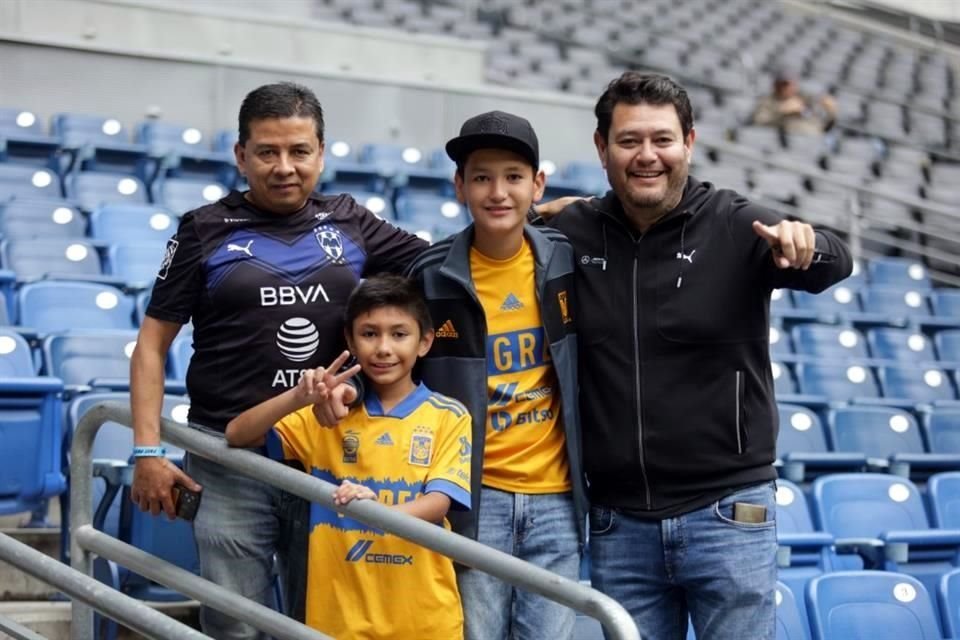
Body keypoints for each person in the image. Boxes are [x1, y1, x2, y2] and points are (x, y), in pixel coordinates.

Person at [532, 71, 853, 640]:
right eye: (629, 141)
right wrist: (533, 218)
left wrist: (810, 245)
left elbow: (834, 259)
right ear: (602, 149)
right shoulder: (573, 231)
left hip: (728, 516)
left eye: (663, 139)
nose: (647, 156)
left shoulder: (735, 223)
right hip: (617, 523)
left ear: (690, 143)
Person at [128, 82, 428, 637]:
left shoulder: (351, 221)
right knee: (234, 623)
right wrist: (147, 449)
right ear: (242, 155)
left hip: (327, 454)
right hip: (228, 458)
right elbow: (151, 345)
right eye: (267, 152)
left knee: (316, 620)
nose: (284, 167)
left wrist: (537, 216)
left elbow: (448, 259)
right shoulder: (202, 230)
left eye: (299, 151)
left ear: (321, 153)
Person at [401, 111, 587, 640]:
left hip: (558, 500)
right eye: (481, 177)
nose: (498, 191)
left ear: (538, 184)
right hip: (471, 497)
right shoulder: (431, 275)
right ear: (460, 186)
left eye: (513, 176)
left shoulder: (567, 262)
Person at [224, 274, 471, 640]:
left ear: (425, 341)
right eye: (369, 334)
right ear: (350, 340)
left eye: (399, 334)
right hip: (337, 621)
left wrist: (374, 510)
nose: (384, 348)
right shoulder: (326, 415)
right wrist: (300, 397)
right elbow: (237, 434)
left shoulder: (448, 415)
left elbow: (438, 503)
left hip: (424, 619)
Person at [751, 66, 837, 135]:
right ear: (775, 85)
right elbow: (759, 122)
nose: (784, 88)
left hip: (812, 139)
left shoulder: (805, 98)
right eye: (781, 84)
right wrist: (782, 112)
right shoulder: (767, 101)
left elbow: (825, 127)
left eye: (787, 84)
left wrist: (831, 113)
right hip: (785, 140)